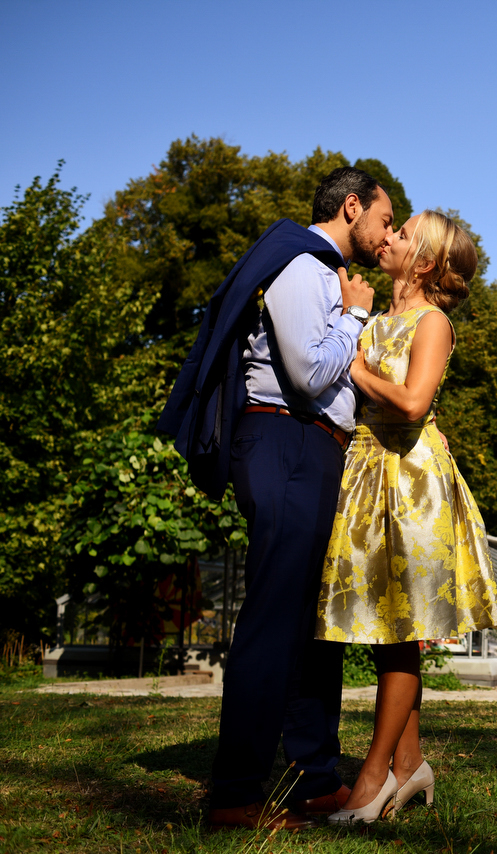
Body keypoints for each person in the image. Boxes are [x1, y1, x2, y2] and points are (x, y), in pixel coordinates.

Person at [160, 166, 393, 830]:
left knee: (311, 623)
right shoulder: (302, 267)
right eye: (383, 217)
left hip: (314, 449)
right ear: (352, 207)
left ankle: (315, 778)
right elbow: (309, 370)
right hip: (284, 440)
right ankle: (236, 794)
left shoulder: (323, 272)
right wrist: (353, 314)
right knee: (273, 617)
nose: (385, 232)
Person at [315, 210, 497, 823]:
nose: (387, 236)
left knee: (400, 634)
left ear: (422, 262)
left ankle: (372, 779)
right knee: (386, 632)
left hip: (413, 482)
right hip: (368, 474)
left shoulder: (433, 323)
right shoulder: (377, 319)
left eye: (402, 233)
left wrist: (355, 366)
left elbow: (415, 402)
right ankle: (410, 765)